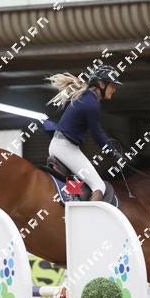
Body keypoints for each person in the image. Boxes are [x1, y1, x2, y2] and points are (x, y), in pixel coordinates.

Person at [45, 65, 122, 201]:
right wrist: (113, 153)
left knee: (80, 183)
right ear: (101, 84)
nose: (114, 89)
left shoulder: (85, 97)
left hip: (60, 146)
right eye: (112, 86)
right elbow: (97, 135)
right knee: (99, 186)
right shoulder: (91, 104)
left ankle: (73, 203)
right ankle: (88, 215)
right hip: (66, 149)